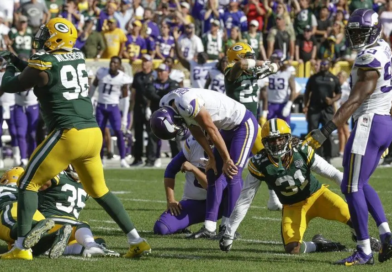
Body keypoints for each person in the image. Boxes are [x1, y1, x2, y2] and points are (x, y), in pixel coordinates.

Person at [0, 18, 150, 260]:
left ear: (57, 38)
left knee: (27, 183)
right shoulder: (77, 55)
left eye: (46, 34)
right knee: (100, 190)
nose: (41, 37)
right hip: (92, 133)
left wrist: (7, 65)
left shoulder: (45, 62)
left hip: (68, 133)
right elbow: (35, 71)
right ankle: (136, 240)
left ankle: (21, 246)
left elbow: (12, 83)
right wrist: (15, 60)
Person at [303, 9, 392, 265]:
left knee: (351, 187)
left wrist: (326, 130)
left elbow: (355, 99)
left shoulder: (368, 57)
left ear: (374, 30)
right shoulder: (384, 47)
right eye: (353, 32)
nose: (356, 37)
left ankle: (364, 251)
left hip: (368, 122)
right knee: (359, 183)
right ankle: (386, 235)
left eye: (361, 32)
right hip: (382, 122)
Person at [219, 119, 380, 255]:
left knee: (355, 217)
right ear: (264, 142)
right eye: (272, 140)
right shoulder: (259, 163)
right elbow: (245, 200)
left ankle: (362, 238)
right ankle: (320, 245)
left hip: (318, 196)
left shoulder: (301, 150)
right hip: (292, 206)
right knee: (292, 248)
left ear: (288, 138)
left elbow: (333, 173)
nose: (276, 144)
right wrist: (230, 232)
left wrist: (352, 194)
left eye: (280, 139)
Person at [150, 88, 259, 238]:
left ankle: (228, 228)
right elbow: (195, 129)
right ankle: (209, 228)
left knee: (232, 172)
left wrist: (226, 159)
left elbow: (211, 129)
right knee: (212, 172)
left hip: (242, 124)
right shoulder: (167, 102)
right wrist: (211, 158)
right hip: (225, 128)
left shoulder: (185, 103)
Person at [37, 166, 120, 258]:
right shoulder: (57, 176)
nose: (81, 168)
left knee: (99, 241)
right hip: (50, 224)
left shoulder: (86, 184)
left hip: (70, 230)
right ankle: (91, 246)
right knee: (82, 227)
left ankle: (54, 248)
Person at [154, 136, 228, 235]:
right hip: (194, 203)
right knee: (161, 227)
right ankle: (181, 225)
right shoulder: (193, 143)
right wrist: (171, 200)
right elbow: (170, 170)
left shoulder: (226, 147)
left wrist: (194, 169)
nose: (210, 136)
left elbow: (213, 186)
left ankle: (225, 228)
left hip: (219, 205)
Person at [89, 56, 132, 168]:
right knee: (100, 134)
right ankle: (100, 159)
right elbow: (93, 87)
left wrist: (125, 118)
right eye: (112, 62)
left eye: (115, 63)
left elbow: (126, 98)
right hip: (101, 106)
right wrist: (88, 100)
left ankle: (122, 159)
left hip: (114, 107)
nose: (113, 64)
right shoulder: (102, 72)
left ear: (119, 65)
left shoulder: (123, 78)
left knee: (119, 131)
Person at [303, 59, 341, 163]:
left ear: (329, 65)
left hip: (327, 110)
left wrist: (332, 100)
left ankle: (328, 156)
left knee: (327, 132)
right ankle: (310, 155)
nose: (323, 66)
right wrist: (305, 105)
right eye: (322, 64)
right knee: (312, 132)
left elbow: (339, 93)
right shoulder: (314, 78)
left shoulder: (334, 78)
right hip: (314, 109)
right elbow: (307, 92)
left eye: (325, 64)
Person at [144, 64, 180, 167]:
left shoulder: (173, 83)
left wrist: (159, 94)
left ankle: (177, 160)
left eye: (162, 71)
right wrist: (163, 96)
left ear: (168, 72)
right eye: (158, 71)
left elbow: (172, 94)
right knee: (152, 136)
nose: (159, 73)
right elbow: (150, 93)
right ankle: (150, 160)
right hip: (156, 115)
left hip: (171, 116)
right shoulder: (152, 83)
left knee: (174, 138)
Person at [130, 54, 154, 166]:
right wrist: (131, 107)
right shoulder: (137, 76)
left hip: (150, 107)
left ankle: (150, 158)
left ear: (151, 63)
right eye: (143, 61)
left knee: (150, 134)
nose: (144, 63)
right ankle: (137, 158)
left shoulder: (153, 76)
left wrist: (150, 107)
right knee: (138, 134)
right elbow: (133, 92)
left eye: (146, 61)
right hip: (138, 107)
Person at [263, 49, 296, 124]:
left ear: (282, 60)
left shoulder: (288, 72)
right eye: (273, 58)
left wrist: (288, 105)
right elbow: (263, 90)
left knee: (285, 130)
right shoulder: (266, 71)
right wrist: (264, 110)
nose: (274, 61)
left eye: (277, 59)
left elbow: (293, 90)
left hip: (283, 104)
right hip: (269, 104)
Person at [14, 80, 38, 168]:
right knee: (20, 134)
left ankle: (32, 158)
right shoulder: (12, 69)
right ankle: (23, 159)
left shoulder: (31, 68)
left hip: (33, 105)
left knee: (32, 134)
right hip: (19, 106)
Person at [0, 60, 19, 168]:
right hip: (1, 105)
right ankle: (1, 159)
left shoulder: (11, 74)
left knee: (14, 132)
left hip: (12, 105)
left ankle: (18, 158)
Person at [336, 71, 350, 157]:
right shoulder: (339, 86)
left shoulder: (346, 86)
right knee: (340, 131)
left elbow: (350, 97)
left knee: (345, 130)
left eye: (339, 76)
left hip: (344, 110)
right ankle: (341, 150)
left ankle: (348, 149)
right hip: (338, 110)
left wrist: (344, 104)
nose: (338, 78)